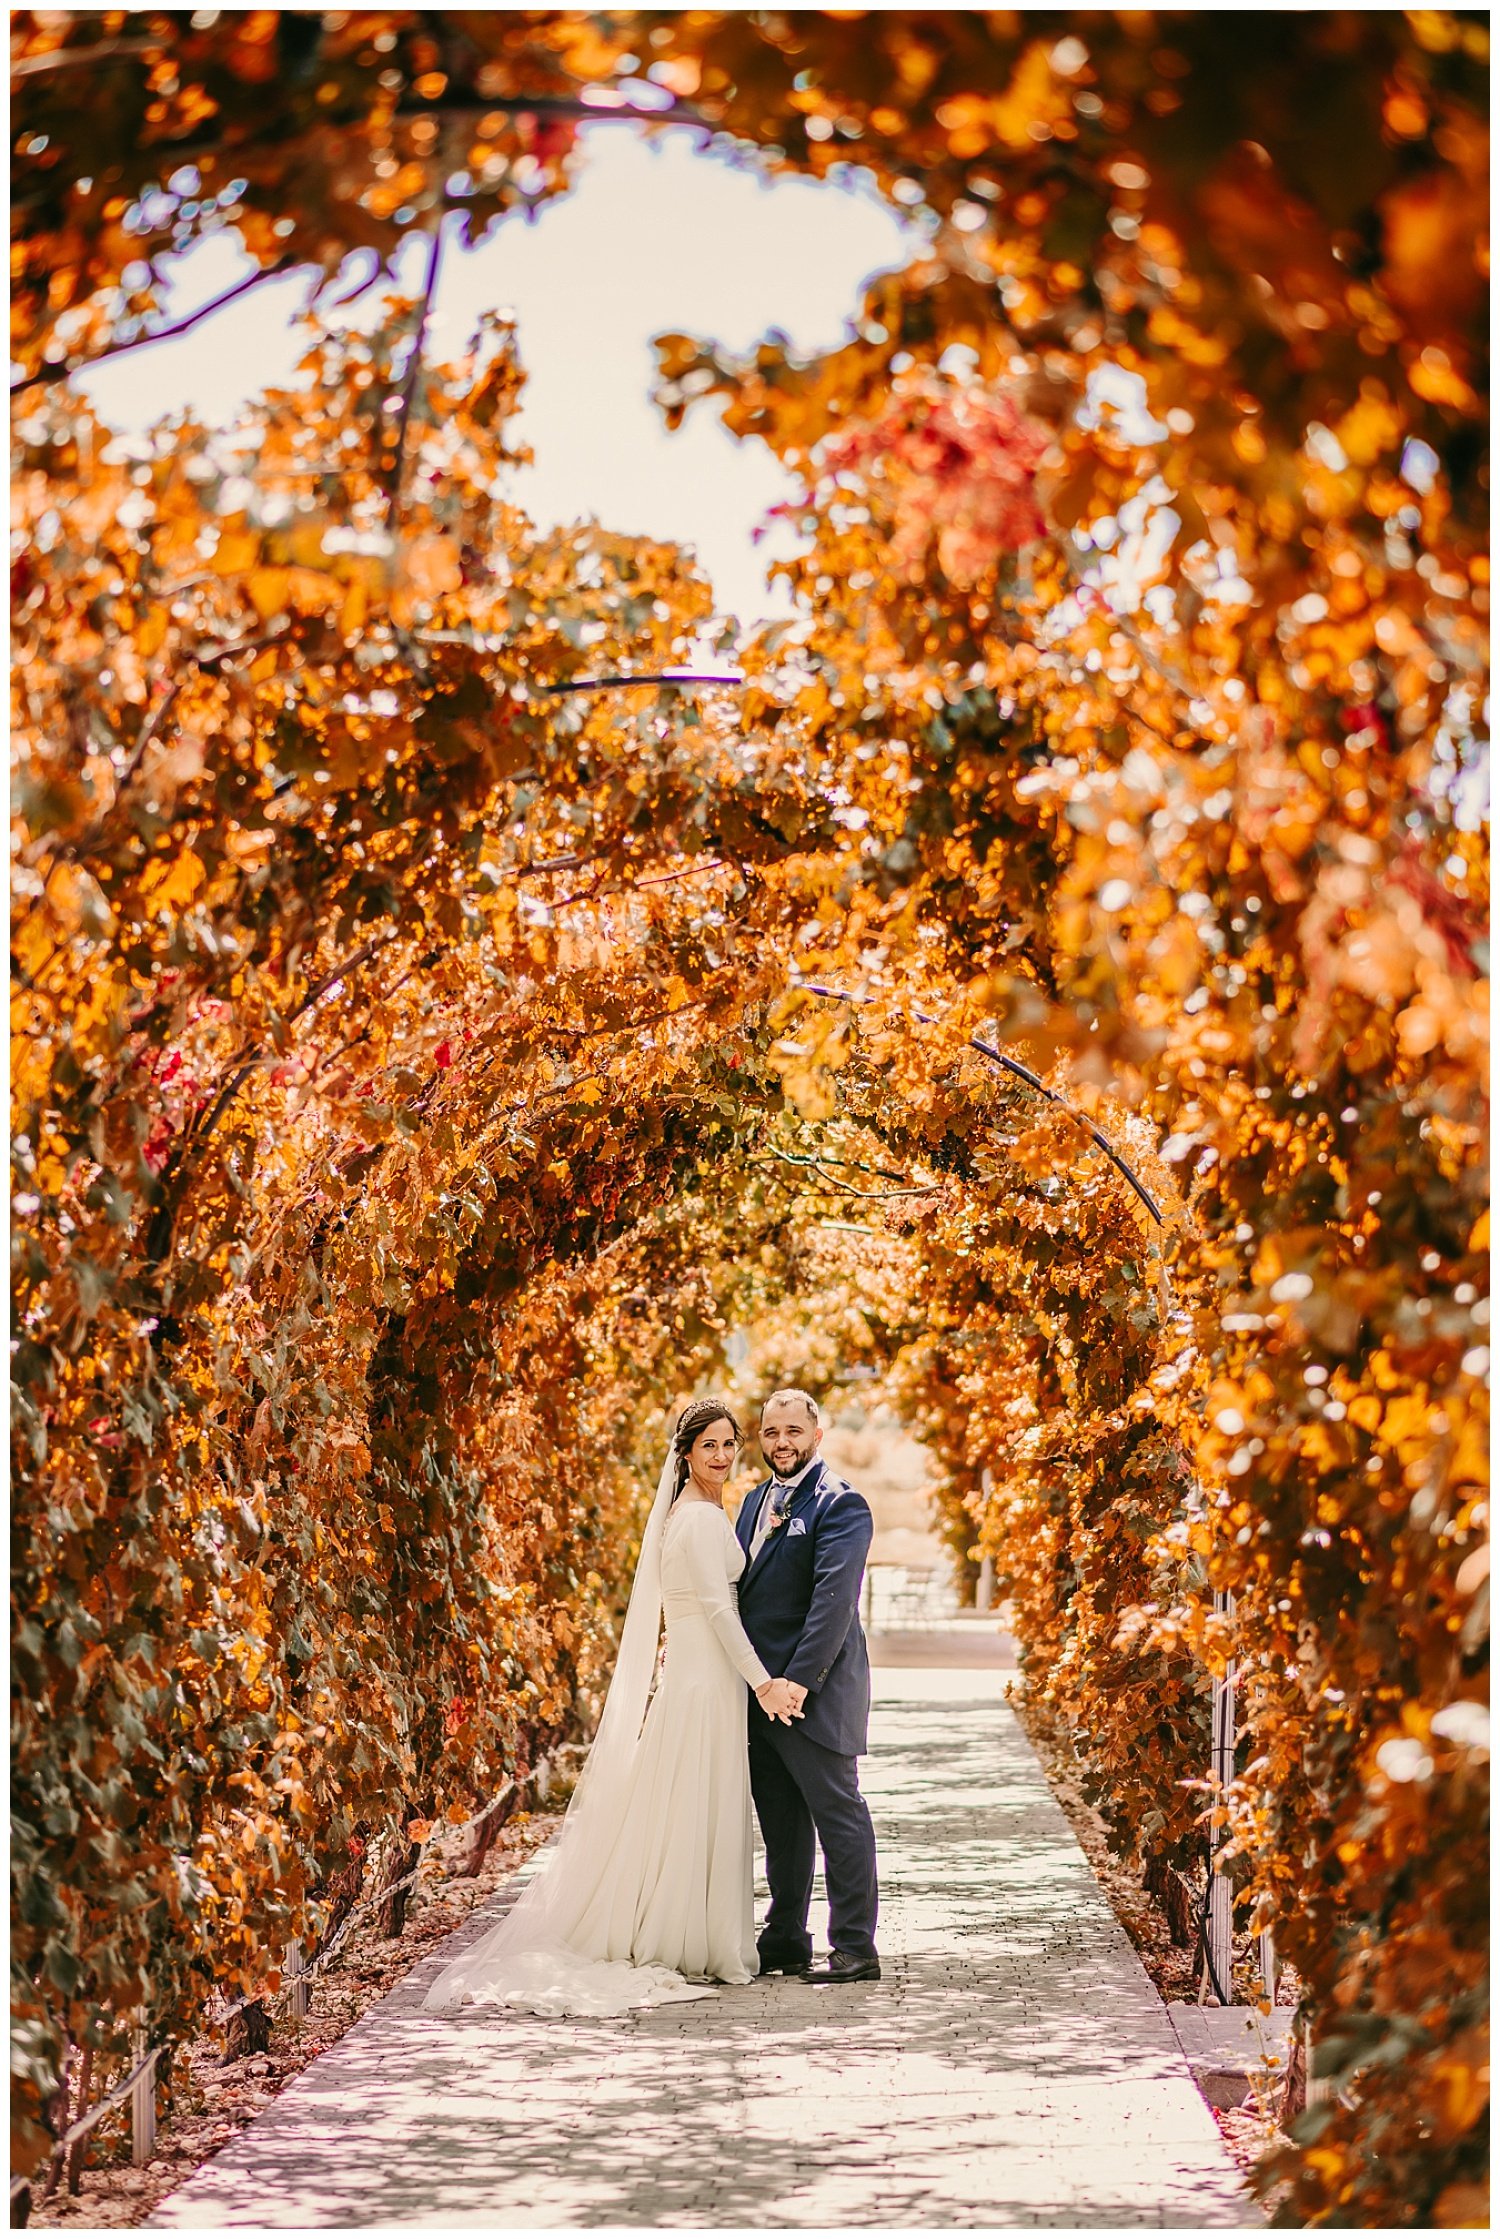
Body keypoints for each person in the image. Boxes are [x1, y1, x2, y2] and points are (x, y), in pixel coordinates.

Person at [420, 1398, 800, 2018]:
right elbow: (720, 1612)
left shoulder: (692, 1512)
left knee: (683, 1805)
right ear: (685, 1454)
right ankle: (689, 1938)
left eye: (731, 1444)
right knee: (696, 1804)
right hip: (707, 1685)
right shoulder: (702, 1521)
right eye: (710, 1445)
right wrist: (763, 1683)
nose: (724, 1456)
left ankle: (686, 1927)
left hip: (694, 1680)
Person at [735, 1388, 880, 1983]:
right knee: (781, 1822)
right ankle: (787, 1936)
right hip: (759, 1694)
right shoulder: (750, 1503)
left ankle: (853, 1946)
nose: (782, 1443)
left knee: (838, 1814)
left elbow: (832, 1603)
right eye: (772, 1433)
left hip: (811, 1693)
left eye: (793, 1432)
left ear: (816, 1436)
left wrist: (796, 1683)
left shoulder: (841, 1504)